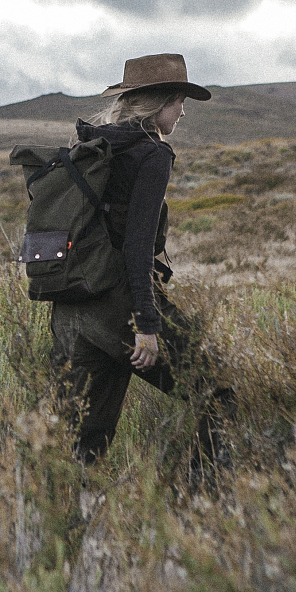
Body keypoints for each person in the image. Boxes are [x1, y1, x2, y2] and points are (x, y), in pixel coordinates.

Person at [49, 53, 235, 483]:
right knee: (218, 390)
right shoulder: (152, 153)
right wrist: (146, 327)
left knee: (80, 442)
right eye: (178, 101)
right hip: (119, 308)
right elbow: (136, 249)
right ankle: (198, 504)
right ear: (159, 103)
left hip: (72, 307)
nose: (183, 112)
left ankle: (62, 519)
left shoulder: (90, 145)